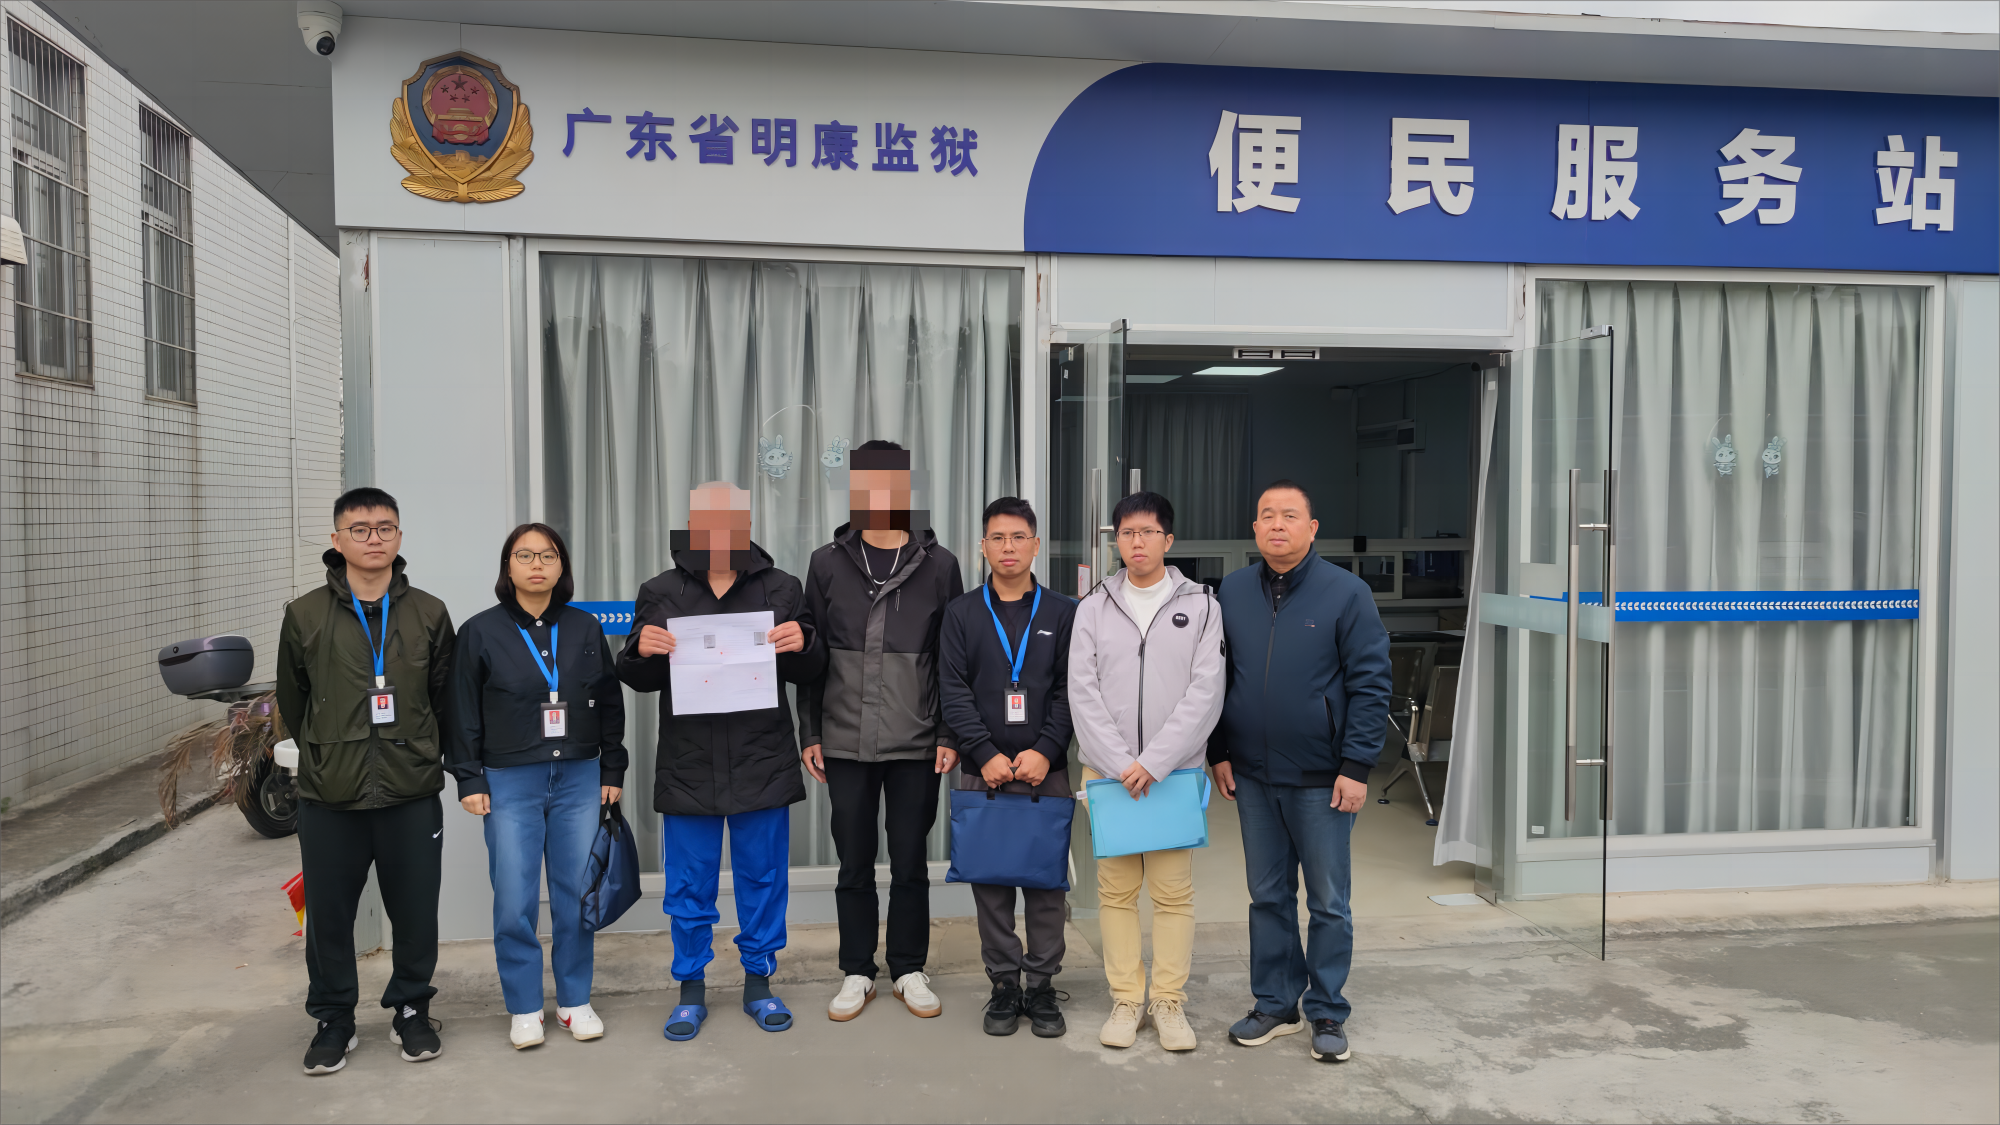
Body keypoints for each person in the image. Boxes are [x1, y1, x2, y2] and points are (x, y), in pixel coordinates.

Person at [617, 481, 825, 1041]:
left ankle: (759, 982)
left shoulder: (781, 586)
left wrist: (803, 642)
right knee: (689, 885)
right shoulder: (661, 590)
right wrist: (639, 650)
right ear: (691, 526)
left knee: (764, 878)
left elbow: (811, 669)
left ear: (745, 525)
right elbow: (637, 676)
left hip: (763, 758)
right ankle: (690, 989)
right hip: (688, 762)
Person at [1210, 480, 1391, 1064]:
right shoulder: (1232, 591)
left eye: (1290, 516)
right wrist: (1219, 751)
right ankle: (1275, 1003)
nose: (1277, 525)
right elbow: (1216, 678)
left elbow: (1371, 684)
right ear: (1254, 528)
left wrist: (1357, 765)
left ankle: (1327, 1009)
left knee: (1328, 901)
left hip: (1322, 778)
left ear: (1312, 528)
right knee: (1267, 896)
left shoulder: (1347, 593)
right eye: (1267, 515)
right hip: (1253, 775)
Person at [277, 487, 455, 1075]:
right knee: (329, 916)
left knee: (415, 912)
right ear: (337, 540)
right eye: (360, 529)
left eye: (384, 528)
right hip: (331, 795)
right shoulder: (305, 614)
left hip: (411, 790)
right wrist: (328, 756)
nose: (373, 538)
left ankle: (411, 1009)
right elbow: (295, 701)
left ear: (399, 537)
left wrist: (427, 755)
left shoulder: (429, 612)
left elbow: (444, 699)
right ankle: (334, 1019)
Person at [799, 441, 964, 1022]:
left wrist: (948, 733)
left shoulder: (939, 564)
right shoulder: (827, 562)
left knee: (911, 858)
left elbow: (952, 659)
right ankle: (856, 971)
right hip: (844, 737)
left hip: (916, 738)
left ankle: (909, 967)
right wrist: (810, 731)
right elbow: (812, 654)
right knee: (853, 859)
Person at [447, 524, 626, 1049]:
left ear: (561, 566)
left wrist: (612, 769)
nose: (537, 565)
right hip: (509, 781)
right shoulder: (480, 631)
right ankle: (525, 1006)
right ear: (508, 566)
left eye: (547, 556)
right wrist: (469, 776)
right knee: (514, 898)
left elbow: (609, 700)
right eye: (524, 556)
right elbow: (461, 709)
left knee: (575, 895)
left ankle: (574, 1000)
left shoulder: (584, 627)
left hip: (579, 777)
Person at [1068, 490, 1225, 1053]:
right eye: (1127, 533)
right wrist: (1119, 764)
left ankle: (1168, 1001)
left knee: (1173, 892)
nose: (1137, 542)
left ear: (1168, 540)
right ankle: (1126, 999)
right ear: (1117, 541)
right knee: (1115, 892)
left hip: (1172, 776)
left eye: (1148, 532)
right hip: (1107, 774)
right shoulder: (1092, 606)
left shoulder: (1202, 606)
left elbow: (1206, 692)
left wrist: (1155, 763)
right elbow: (1081, 692)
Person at [938, 497, 1078, 1037]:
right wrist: (983, 752)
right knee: (991, 884)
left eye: (1019, 537)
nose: (1008, 547)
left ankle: (1040, 985)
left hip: (1048, 770)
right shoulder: (962, 613)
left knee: (1046, 887)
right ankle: (1003, 984)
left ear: (1035, 545)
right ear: (983, 546)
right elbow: (953, 689)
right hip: (984, 772)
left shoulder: (1063, 612)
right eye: (997, 538)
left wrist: (1047, 748)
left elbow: (1071, 690)